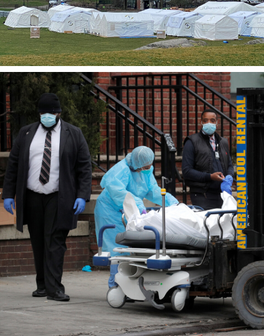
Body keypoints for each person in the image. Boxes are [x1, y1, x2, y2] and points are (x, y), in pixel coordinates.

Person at [1, 93, 92, 302]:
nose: (47, 116)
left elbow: (84, 167)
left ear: (59, 113)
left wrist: (82, 195)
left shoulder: (74, 134)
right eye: (43, 113)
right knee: (38, 241)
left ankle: (54, 289)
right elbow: (13, 165)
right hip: (32, 195)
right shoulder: (26, 133)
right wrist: (8, 194)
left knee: (55, 242)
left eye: (51, 112)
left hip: (59, 196)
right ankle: (42, 285)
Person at [94, 146, 178, 288]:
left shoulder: (145, 170)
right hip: (109, 211)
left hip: (127, 210)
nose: (148, 169)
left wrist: (170, 201)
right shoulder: (121, 170)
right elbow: (120, 194)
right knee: (117, 249)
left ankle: (127, 284)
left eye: (149, 166)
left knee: (128, 249)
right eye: (145, 167)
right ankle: (115, 285)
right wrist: (139, 206)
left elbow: (152, 190)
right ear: (138, 164)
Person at [182, 110, 234, 210]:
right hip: (202, 194)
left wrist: (229, 176)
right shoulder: (192, 142)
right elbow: (187, 171)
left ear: (217, 123)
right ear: (201, 122)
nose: (209, 123)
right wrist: (210, 177)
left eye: (212, 120)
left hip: (222, 194)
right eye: (205, 120)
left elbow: (229, 165)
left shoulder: (223, 142)